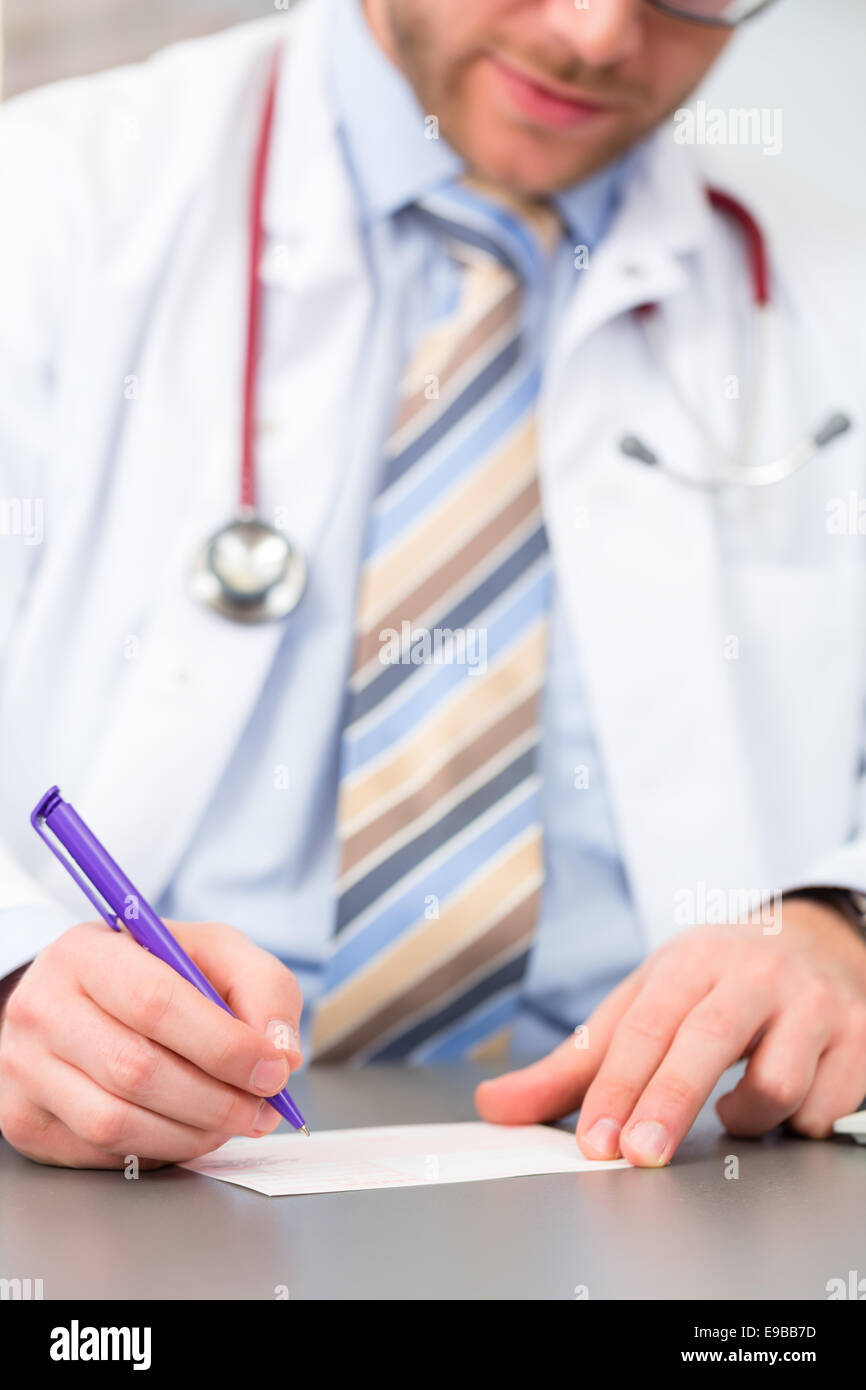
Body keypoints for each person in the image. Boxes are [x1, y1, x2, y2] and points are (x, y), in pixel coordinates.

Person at [1, 0, 865, 1173]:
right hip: (134, 1184)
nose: (598, 35)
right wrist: (13, 980)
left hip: (680, 1176)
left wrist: (841, 931)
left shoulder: (831, 283)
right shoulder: (46, 205)